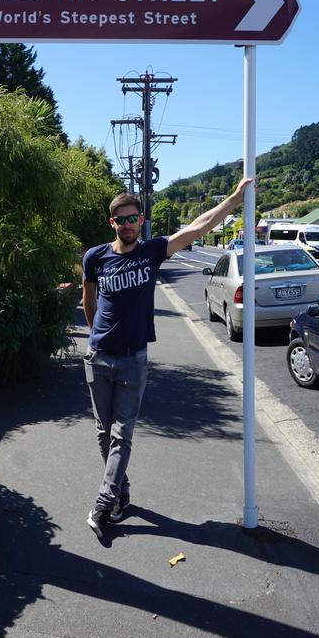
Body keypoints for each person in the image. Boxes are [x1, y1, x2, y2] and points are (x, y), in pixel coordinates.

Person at [81, 176, 253, 539]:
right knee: (102, 433)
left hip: (133, 360)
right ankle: (122, 492)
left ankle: (103, 502)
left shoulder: (152, 251)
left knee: (121, 434)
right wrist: (95, 340)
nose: (127, 225)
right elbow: (88, 300)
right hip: (99, 358)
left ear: (140, 220)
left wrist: (234, 201)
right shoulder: (95, 257)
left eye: (132, 219)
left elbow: (197, 226)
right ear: (111, 223)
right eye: (120, 220)